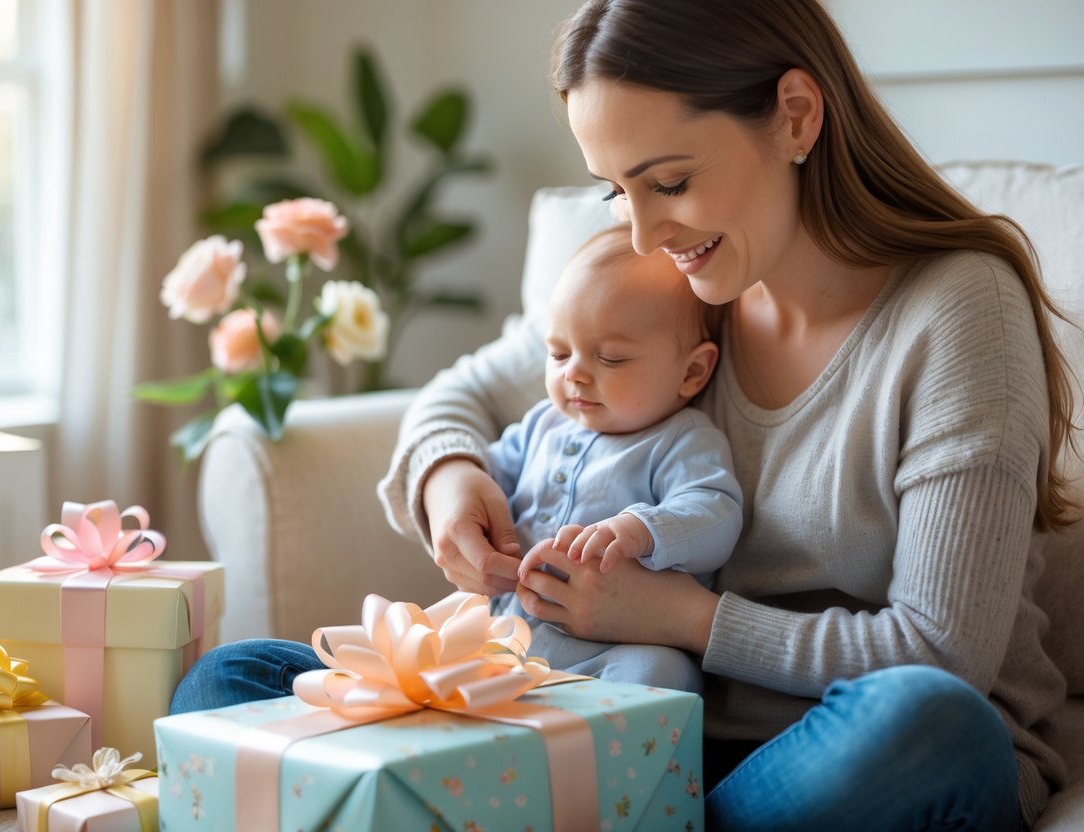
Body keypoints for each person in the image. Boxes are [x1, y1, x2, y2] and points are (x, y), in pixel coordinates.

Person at [174, 2, 1074, 829]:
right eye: (615, 191)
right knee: (236, 681)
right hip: (611, 727)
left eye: (670, 182)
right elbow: (459, 397)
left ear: (796, 116)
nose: (645, 236)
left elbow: (939, 653)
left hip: (825, 757)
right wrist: (453, 480)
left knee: (928, 722)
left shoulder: (958, 313)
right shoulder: (671, 294)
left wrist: (681, 618)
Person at [486, 223, 742, 692]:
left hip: (613, 648)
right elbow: (489, 475)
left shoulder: (680, 440)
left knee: (663, 674)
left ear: (692, 371)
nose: (575, 375)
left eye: (611, 359)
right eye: (560, 354)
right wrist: (461, 493)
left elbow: (716, 514)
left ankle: (610, 760)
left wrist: (643, 530)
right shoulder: (542, 424)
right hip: (509, 637)